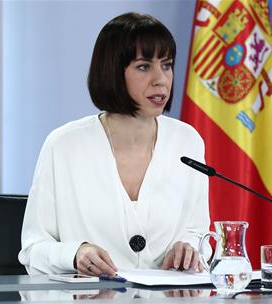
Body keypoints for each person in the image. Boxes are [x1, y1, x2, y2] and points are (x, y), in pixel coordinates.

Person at [18, 12, 210, 276]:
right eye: (144, 66)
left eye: (166, 65)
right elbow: (33, 249)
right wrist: (74, 254)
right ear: (112, 72)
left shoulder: (187, 141)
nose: (161, 79)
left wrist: (190, 247)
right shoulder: (64, 145)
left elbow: (199, 234)